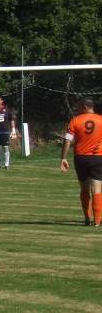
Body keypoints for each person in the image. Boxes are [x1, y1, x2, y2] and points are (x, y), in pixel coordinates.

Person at [59, 97, 102, 226]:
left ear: (84, 106)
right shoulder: (101, 120)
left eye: (78, 107)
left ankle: (87, 218)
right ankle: (97, 221)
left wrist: (63, 158)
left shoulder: (75, 120)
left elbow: (67, 140)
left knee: (84, 189)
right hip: (97, 157)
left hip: (81, 158)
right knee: (97, 189)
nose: (77, 109)